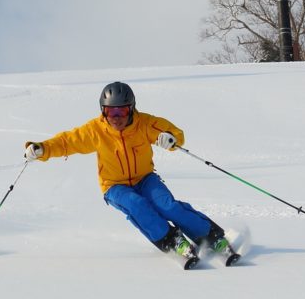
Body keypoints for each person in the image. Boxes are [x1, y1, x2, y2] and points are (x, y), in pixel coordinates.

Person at [25, 80, 235, 262]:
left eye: (122, 111)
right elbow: (67, 141)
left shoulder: (144, 123)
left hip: (145, 178)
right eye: (110, 111)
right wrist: (41, 148)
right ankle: (171, 240)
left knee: (167, 206)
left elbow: (174, 133)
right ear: (103, 111)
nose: (116, 117)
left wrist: (170, 138)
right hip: (114, 186)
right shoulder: (95, 131)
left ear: (132, 109)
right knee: (137, 205)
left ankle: (211, 236)